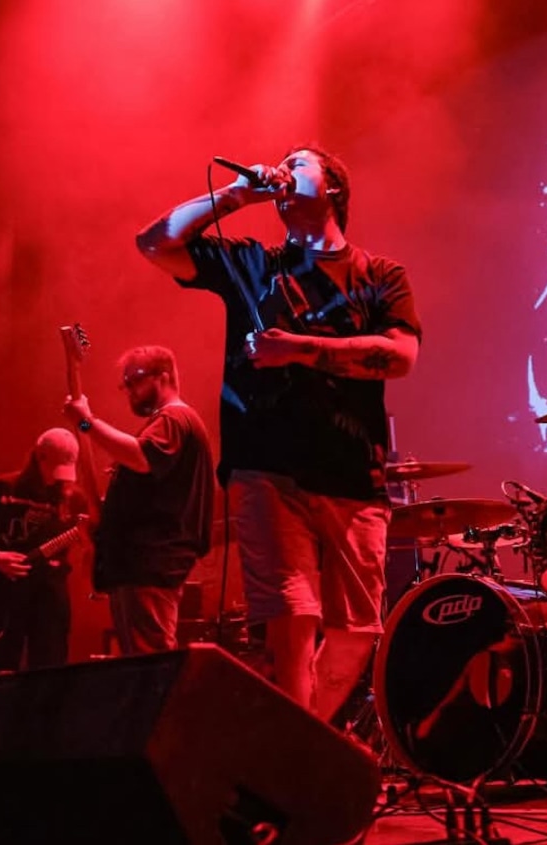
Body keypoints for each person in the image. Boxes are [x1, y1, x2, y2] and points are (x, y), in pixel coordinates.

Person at [134, 145, 422, 720]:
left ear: (333, 187)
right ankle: (302, 756)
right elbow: (155, 243)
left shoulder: (380, 275)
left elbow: (400, 356)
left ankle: (304, 739)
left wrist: (298, 350)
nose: (284, 171)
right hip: (267, 467)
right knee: (292, 617)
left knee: (357, 629)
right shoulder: (254, 264)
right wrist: (237, 195)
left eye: (299, 164)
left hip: (351, 471)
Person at [62, 345, 215, 655]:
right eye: (125, 383)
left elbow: (141, 456)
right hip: (140, 566)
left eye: (135, 379)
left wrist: (86, 422)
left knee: (150, 663)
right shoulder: (168, 422)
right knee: (141, 661)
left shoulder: (174, 418)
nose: (129, 389)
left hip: (150, 565)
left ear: (164, 376)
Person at [0, 427, 93, 681]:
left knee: (51, 666)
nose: (59, 479)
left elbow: (89, 546)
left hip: (51, 590)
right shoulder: (5, 488)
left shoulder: (74, 498)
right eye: (55, 468)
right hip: (7, 588)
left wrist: (89, 547)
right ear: (39, 456)